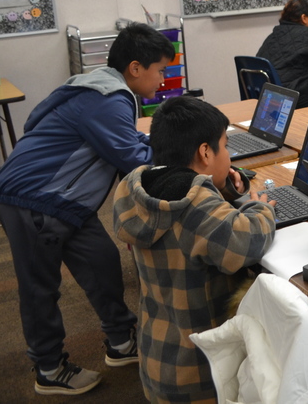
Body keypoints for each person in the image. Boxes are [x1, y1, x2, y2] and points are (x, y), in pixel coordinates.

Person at [0, 23, 175, 396]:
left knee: (102, 262)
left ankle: (121, 343)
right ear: (136, 68)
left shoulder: (101, 88)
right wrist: (179, 151)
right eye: (160, 70)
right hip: (33, 199)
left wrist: (156, 141)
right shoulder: (108, 100)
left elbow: (128, 140)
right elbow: (133, 159)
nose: (163, 79)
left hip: (66, 201)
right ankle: (49, 368)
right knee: (40, 288)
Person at [113, 96, 276, 404]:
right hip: (199, 372)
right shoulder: (193, 207)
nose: (228, 156)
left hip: (158, 353)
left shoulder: (138, 186)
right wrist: (259, 205)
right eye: (225, 147)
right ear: (204, 152)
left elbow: (197, 215)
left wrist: (225, 189)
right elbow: (247, 241)